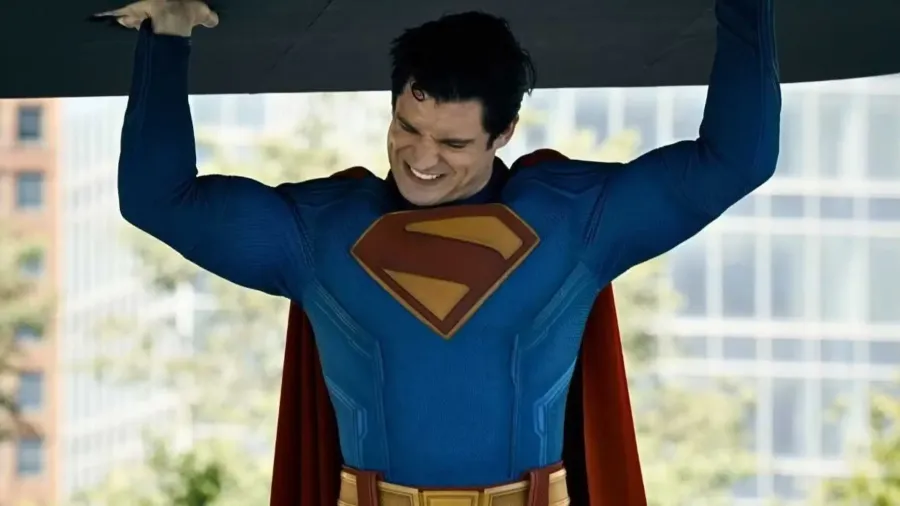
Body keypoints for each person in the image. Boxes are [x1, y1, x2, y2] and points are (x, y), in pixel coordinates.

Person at [106, 0, 781, 503]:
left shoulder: (574, 220)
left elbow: (737, 160)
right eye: (407, 127)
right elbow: (156, 200)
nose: (421, 158)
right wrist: (167, 36)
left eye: (453, 143)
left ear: (503, 132)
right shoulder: (320, 233)